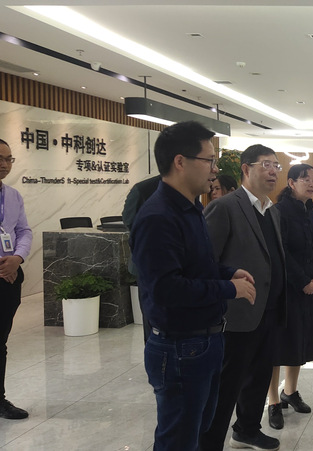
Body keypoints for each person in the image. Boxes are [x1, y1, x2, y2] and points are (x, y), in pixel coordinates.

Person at [130, 121, 256, 450]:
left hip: (204, 341)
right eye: (209, 160)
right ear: (180, 162)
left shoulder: (192, 208)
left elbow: (197, 266)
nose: (215, 169)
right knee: (179, 440)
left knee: (198, 432)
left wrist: (228, 272)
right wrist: (229, 290)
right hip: (180, 348)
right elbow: (167, 289)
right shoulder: (158, 217)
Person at [200, 145, 286, 451]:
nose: (273, 171)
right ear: (246, 169)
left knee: (260, 375)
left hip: (269, 310)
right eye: (266, 165)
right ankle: (209, 443)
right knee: (226, 386)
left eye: (276, 165)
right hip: (236, 314)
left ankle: (247, 429)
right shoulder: (225, 207)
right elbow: (204, 263)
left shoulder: (271, 210)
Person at [267, 163, 313, 430]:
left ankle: (289, 392)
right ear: (291, 183)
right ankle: (273, 402)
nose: (311, 183)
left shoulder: (310, 214)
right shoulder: (278, 212)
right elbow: (281, 252)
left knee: (299, 341)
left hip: (308, 289)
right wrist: (303, 281)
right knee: (278, 346)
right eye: (305, 179)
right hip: (285, 291)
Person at [0, 138, 32, 420]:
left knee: (1, 341)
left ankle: (0, 400)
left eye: (8, 159)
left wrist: (17, 258)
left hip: (9, 277)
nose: (4, 164)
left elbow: (23, 231)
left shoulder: (12, 195)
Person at [122, 174, 161, 344]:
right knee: (151, 319)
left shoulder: (187, 189)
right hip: (147, 265)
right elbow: (129, 220)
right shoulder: (143, 189)